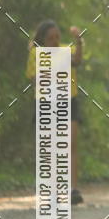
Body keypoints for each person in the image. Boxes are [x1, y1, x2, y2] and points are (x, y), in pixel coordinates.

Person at [26, 21, 84, 205]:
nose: (55, 41)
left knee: (70, 144)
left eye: (57, 37)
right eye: (51, 38)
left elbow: (77, 61)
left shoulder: (66, 50)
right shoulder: (36, 53)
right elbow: (34, 79)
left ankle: (73, 189)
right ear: (42, 40)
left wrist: (79, 41)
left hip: (68, 101)